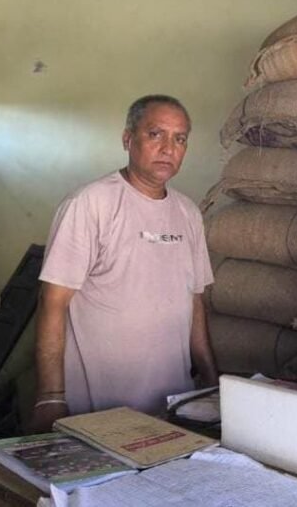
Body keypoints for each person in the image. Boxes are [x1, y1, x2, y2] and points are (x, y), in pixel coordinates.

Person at [29, 95, 218, 433]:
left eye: (179, 139)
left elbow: (194, 301)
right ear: (128, 139)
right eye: (155, 134)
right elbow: (52, 302)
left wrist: (210, 379)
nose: (168, 148)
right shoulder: (90, 204)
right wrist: (50, 397)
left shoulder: (188, 213)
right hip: (97, 407)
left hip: (172, 405)